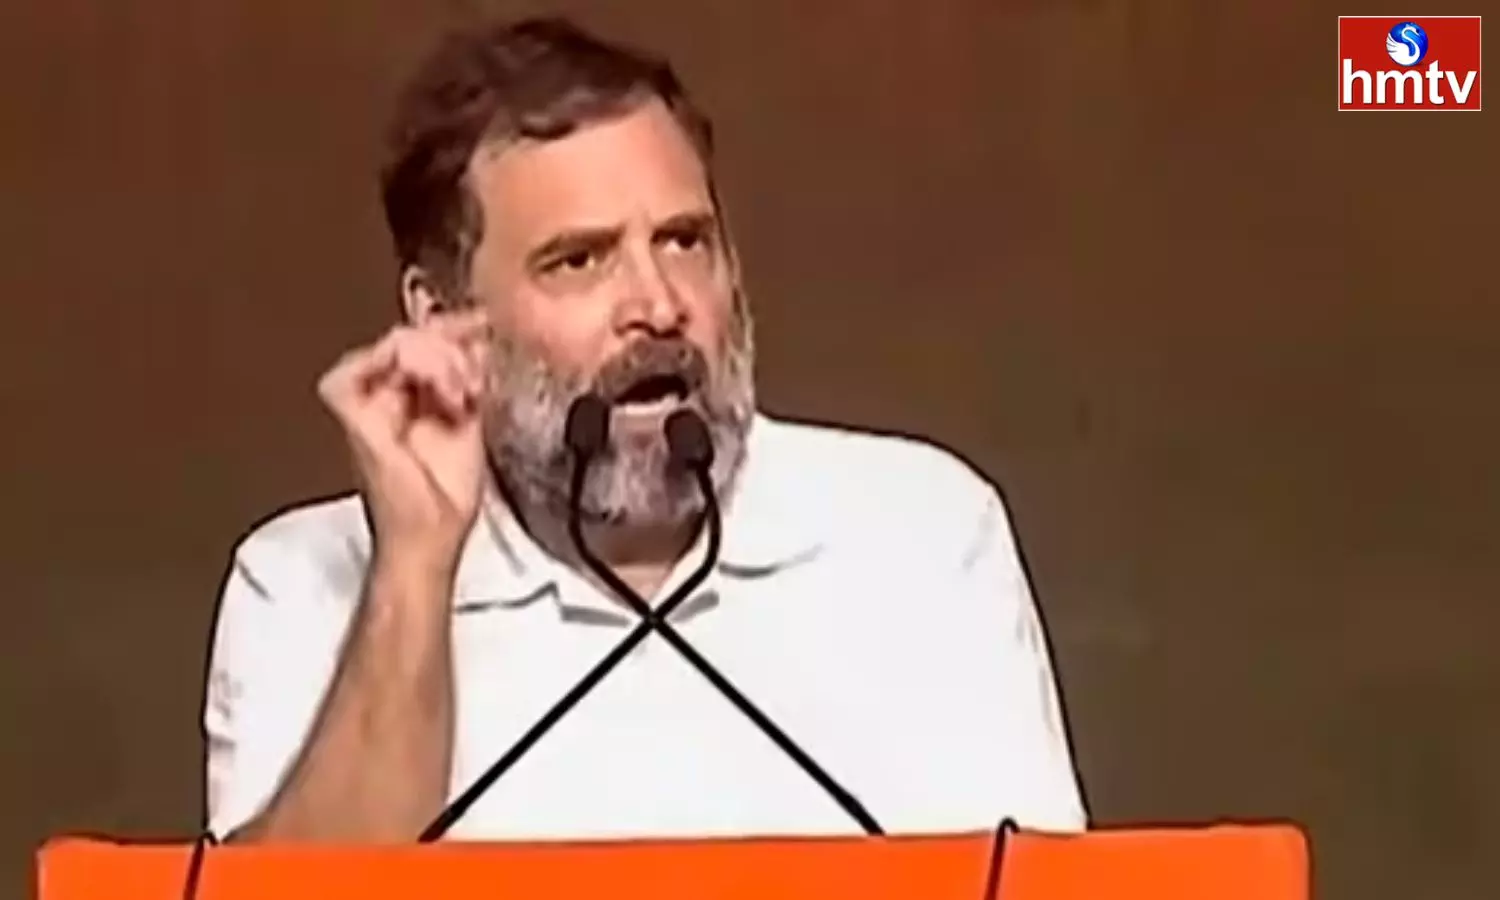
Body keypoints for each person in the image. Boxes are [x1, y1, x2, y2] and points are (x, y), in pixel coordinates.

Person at [202, 14, 1087, 844]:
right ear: (441, 316)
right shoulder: (305, 581)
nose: (659, 306)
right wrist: (416, 568)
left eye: (684, 242)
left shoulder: (922, 532)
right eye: (578, 260)